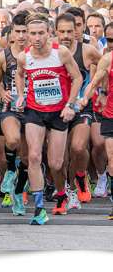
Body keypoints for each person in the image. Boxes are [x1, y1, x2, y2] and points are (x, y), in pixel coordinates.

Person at [15, 13, 82, 225]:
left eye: (41, 33)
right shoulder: (24, 57)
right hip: (35, 110)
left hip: (58, 112)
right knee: (34, 156)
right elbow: (19, 74)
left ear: (49, 33)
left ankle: (62, 191)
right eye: (32, 33)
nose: (36, 38)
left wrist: (70, 104)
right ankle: (39, 207)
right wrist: (20, 95)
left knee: (55, 163)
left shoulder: (60, 53)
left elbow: (77, 77)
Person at [54, 13, 101, 211]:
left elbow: (104, 67)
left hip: (81, 107)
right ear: (55, 32)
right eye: (61, 31)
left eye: (69, 31)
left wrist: (95, 91)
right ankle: (69, 190)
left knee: (78, 147)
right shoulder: (50, 50)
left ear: (77, 31)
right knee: (60, 158)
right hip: (56, 109)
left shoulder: (88, 51)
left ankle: (80, 176)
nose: (65, 35)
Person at [0, 11, 30, 214]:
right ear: (12, 33)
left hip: (33, 109)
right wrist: (2, 92)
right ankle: (9, 170)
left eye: (26, 31)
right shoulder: (3, 56)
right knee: (13, 140)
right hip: (10, 107)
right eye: (18, 31)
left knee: (27, 158)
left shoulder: (37, 54)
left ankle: (17, 194)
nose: (22, 36)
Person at [78, 44, 113, 219]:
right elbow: (94, 82)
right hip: (111, 114)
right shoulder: (108, 59)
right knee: (112, 160)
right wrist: (86, 97)